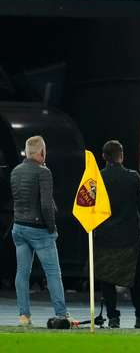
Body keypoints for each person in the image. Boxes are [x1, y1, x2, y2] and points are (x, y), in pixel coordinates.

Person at [94, 140, 140, 329]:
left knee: (107, 279)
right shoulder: (133, 177)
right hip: (129, 237)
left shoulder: (98, 179)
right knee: (136, 280)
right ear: (121, 155)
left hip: (105, 236)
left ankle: (113, 318)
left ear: (104, 157)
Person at [11, 136, 68, 326]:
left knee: (22, 272)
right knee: (53, 273)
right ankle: (61, 314)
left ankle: (24, 316)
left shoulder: (15, 172)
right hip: (39, 229)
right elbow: (45, 205)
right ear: (41, 153)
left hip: (18, 227)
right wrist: (52, 229)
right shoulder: (44, 172)